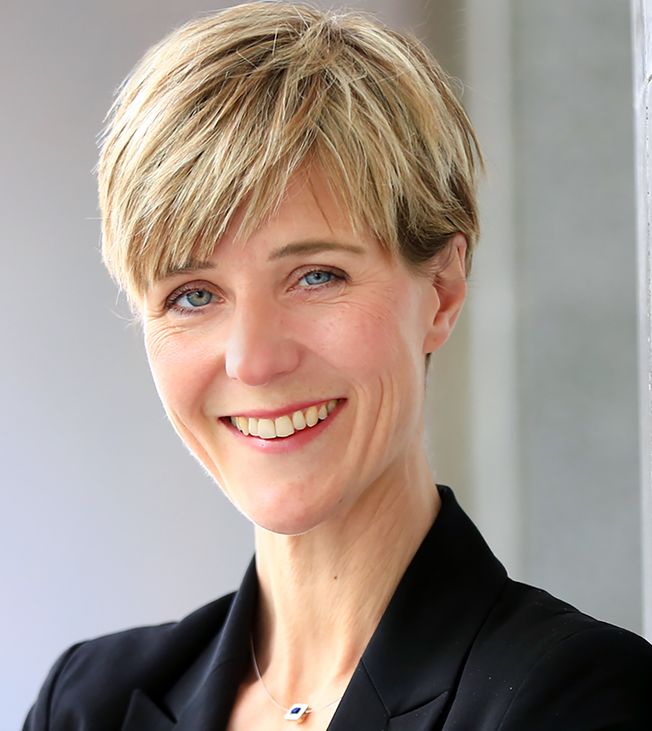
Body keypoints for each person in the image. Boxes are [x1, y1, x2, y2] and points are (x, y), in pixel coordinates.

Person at [23, 2, 652, 729]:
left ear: (443, 290)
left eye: (316, 276)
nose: (254, 361)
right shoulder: (86, 703)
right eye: (194, 294)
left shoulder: (574, 697)